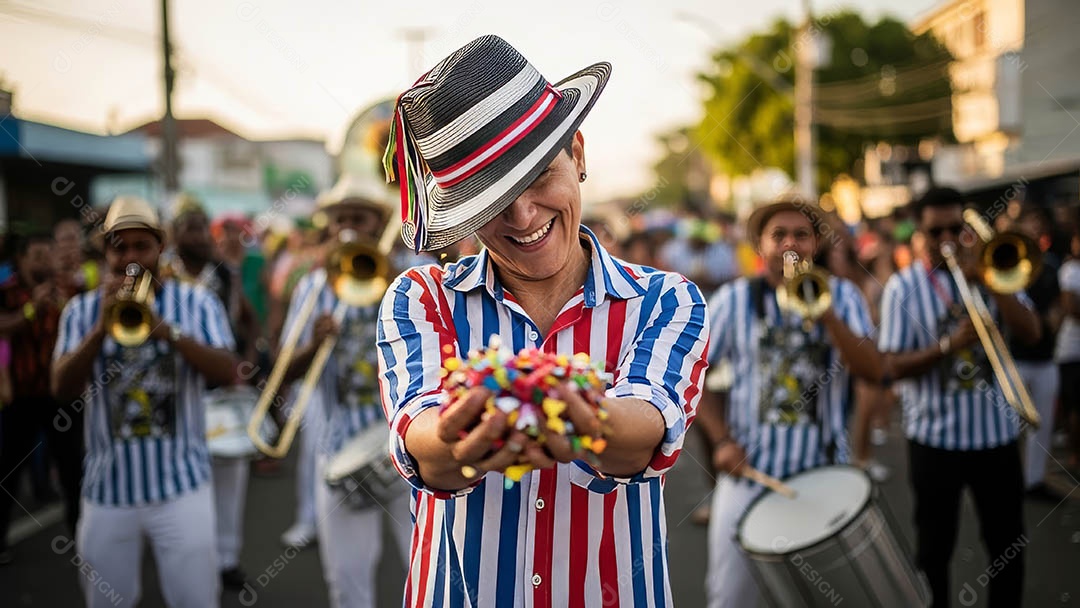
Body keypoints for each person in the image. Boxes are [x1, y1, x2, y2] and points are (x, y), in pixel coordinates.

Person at [377, 35, 709, 606]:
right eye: (489, 198)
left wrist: (570, 409)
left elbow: (641, 440)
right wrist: (464, 435)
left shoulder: (665, 299)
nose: (523, 215)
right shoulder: (419, 297)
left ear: (577, 155)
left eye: (538, 178)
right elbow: (423, 443)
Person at [51, 196, 239, 608]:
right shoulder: (81, 311)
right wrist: (98, 331)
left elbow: (228, 370)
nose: (131, 258)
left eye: (142, 246)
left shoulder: (196, 302)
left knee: (196, 600)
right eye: (120, 247)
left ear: (160, 248)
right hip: (107, 493)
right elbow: (61, 389)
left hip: (182, 487)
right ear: (106, 253)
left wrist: (167, 332)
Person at [697, 196, 881, 607]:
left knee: (825, 596)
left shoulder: (845, 297)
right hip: (750, 477)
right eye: (777, 235)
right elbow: (694, 374)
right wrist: (722, 441)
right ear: (760, 246)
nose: (789, 244)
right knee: (729, 598)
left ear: (816, 244)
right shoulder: (734, 300)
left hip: (826, 476)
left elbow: (873, 371)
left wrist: (826, 311)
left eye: (801, 234)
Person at [878, 187, 1041, 608]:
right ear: (919, 235)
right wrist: (947, 346)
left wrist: (994, 286)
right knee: (934, 549)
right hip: (934, 442)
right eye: (936, 232)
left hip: (996, 439)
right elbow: (893, 366)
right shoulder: (904, 287)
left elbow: (1033, 332)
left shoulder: (993, 269)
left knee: (1008, 547)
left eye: (957, 229)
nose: (948, 239)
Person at [279, 175, 412, 608]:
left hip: (410, 448)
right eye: (341, 220)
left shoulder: (413, 274)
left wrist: (389, 273)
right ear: (329, 227)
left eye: (361, 219)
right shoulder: (312, 287)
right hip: (340, 453)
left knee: (433, 574)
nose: (350, 229)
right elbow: (282, 373)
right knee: (347, 584)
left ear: (381, 223)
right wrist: (315, 345)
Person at [166, 194, 261, 591]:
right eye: (190, 228)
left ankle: (226, 560)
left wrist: (248, 357)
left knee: (230, 478)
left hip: (223, 390)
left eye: (203, 227)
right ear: (173, 236)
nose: (200, 235)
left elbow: (248, 319)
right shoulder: (162, 276)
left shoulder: (225, 274)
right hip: (179, 394)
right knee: (184, 485)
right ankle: (187, 561)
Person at [0, 231, 68, 564]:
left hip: (60, 395)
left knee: (73, 470)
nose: (44, 262)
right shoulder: (8, 291)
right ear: (23, 258)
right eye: (37, 255)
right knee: (9, 470)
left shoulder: (67, 290)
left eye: (48, 254)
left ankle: (83, 535)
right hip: (22, 397)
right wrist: (30, 311)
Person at [1007, 205, 1064, 500]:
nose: (1033, 231)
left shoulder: (1051, 267)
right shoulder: (1008, 263)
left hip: (1044, 358)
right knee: (1010, 426)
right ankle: (1009, 480)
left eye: (1037, 225)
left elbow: (1057, 309)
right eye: (1028, 225)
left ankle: (1034, 481)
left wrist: (1042, 325)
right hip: (1015, 359)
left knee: (1042, 427)